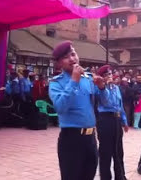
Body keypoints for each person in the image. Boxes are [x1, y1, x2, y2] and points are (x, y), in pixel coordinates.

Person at [49, 41, 98, 180]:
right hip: (71, 138)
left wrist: (101, 88)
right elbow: (60, 107)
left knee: (89, 176)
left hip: (90, 138)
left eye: (73, 54)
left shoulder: (87, 79)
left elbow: (99, 104)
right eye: (66, 57)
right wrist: (73, 81)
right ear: (59, 63)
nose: (72, 59)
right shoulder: (56, 83)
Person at [94, 65, 129, 180]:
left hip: (117, 120)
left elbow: (120, 106)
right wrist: (105, 86)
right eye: (106, 75)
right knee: (106, 153)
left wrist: (124, 121)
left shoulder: (116, 88)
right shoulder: (100, 88)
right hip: (105, 120)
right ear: (101, 77)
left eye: (110, 74)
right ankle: (105, 177)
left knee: (119, 151)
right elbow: (106, 102)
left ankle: (120, 176)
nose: (109, 76)